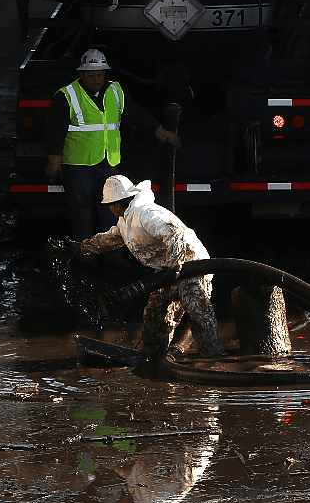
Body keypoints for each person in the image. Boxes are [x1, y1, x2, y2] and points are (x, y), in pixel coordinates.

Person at [55, 175, 224, 359]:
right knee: (154, 313)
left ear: (116, 205)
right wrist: (81, 248)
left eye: (109, 205)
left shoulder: (145, 214)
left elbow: (174, 233)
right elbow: (110, 239)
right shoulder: (126, 221)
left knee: (198, 313)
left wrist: (176, 268)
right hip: (168, 271)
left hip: (192, 267)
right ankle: (154, 356)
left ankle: (212, 358)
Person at [44, 48, 179, 240]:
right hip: (79, 165)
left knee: (112, 210)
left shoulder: (115, 92)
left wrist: (162, 133)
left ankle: (111, 254)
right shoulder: (67, 96)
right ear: (82, 74)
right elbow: (55, 131)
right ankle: (88, 254)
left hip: (108, 163)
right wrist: (54, 163)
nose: (97, 79)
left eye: (100, 74)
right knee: (83, 211)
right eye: (91, 75)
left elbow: (138, 114)